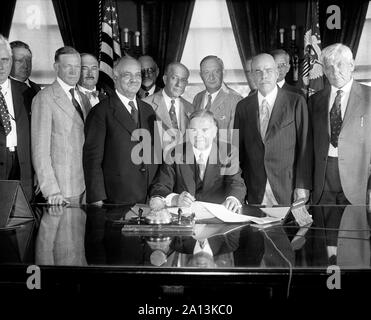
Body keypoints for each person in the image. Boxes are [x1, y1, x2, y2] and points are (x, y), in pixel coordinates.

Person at [234, 53, 312, 206]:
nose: (264, 75)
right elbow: (237, 151)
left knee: (291, 230)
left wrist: (302, 185)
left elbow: (305, 147)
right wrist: (237, 189)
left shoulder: (296, 102)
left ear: (277, 73)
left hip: (288, 188)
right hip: (254, 188)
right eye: (258, 71)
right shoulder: (243, 107)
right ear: (252, 76)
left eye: (268, 70)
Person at [83, 56, 159, 205]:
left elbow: (154, 154)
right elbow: (92, 160)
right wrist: (97, 198)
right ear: (115, 77)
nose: (134, 79)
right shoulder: (100, 112)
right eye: (127, 75)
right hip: (115, 199)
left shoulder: (148, 110)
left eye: (137, 75)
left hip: (148, 197)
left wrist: (157, 192)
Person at [149, 110, 246, 213]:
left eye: (204, 130)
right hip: (183, 217)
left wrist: (232, 199)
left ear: (215, 131)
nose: (198, 135)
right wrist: (175, 199)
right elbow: (159, 187)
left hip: (216, 217)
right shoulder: (175, 153)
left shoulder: (228, 152)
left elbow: (236, 183)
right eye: (193, 130)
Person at [310, 43, 371, 206]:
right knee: (323, 230)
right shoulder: (315, 101)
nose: (334, 71)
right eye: (328, 67)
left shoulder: (369, 97)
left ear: (351, 65)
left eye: (339, 64)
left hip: (358, 179)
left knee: (354, 230)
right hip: (323, 180)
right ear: (323, 70)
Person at [31, 46, 90, 205]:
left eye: (77, 67)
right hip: (61, 190)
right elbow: (40, 151)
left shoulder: (83, 98)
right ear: (56, 67)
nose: (73, 71)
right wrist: (51, 190)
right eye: (68, 66)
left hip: (85, 187)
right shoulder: (44, 98)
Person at [0, 34, 34, 200]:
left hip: (22, 169)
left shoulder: (26, 92)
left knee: (24, 221)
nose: (1, 66)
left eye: (5, 60)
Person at [143, 62, 194, 153]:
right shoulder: (145, 104)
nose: (178, 84)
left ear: (186, 83)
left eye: (183, 80)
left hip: (182, 164)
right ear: (165, 79)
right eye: (174, 78)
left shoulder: (190, 108)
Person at [193, 55, 242, 138]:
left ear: (223, 72)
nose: (211, 77)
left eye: (216, 71)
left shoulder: (236, 100)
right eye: (206, 72)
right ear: (201, 75)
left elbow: (235, 140)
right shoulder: (198, 97)